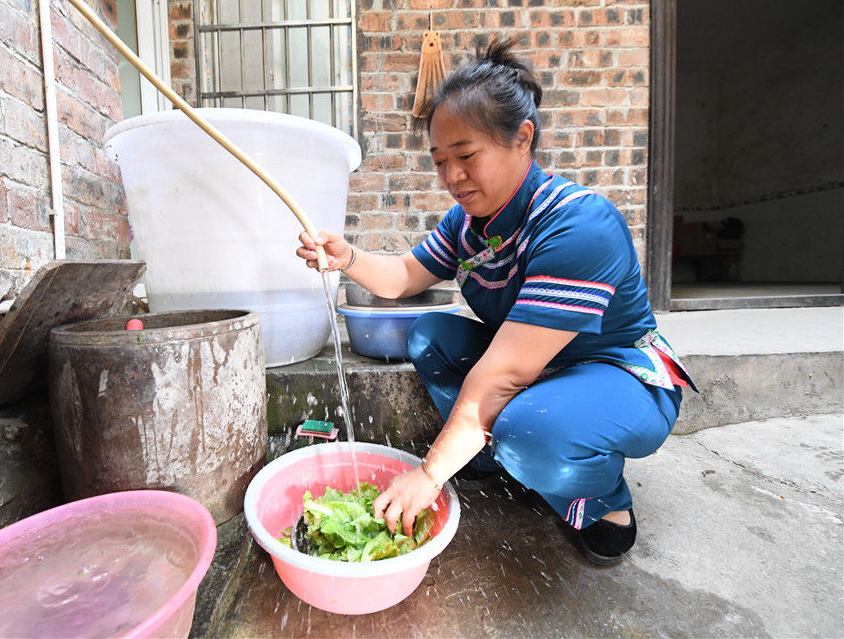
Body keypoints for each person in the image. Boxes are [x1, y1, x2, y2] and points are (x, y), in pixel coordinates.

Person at [296, 36, 696, 565]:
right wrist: (346, 257)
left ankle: (603, 501)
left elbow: (503, 374)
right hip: (539, 369)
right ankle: (488, 452)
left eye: (466, 156)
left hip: (616, 372)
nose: (452, 177)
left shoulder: (578, 225)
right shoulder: (467, 224)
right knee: (429, 335)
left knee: (530, 433)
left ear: (522, 138)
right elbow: (405, 275)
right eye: (440, 161)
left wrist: (428, 474)